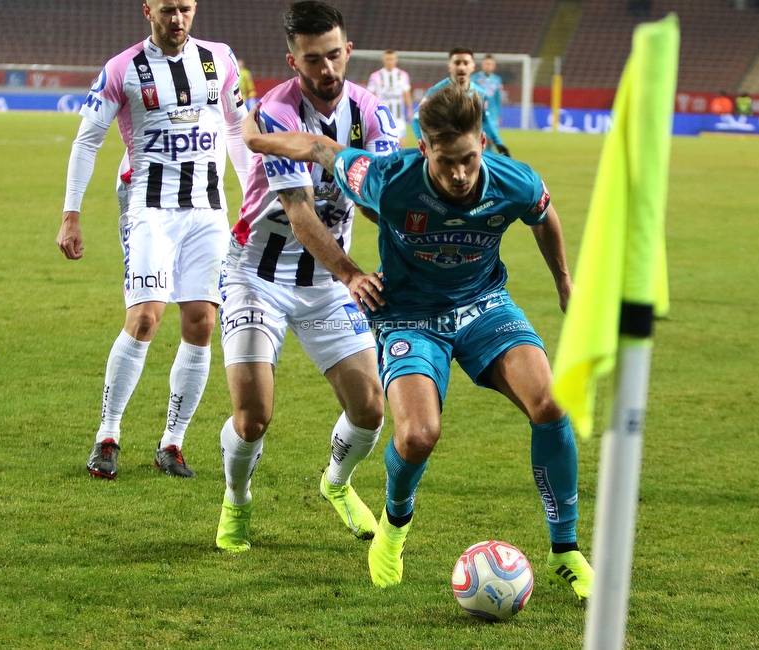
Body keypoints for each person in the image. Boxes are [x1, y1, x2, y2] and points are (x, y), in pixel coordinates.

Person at [241, 83, 593, 602]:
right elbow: (321, 149)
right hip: (408, 317)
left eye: (469, 159)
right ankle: (393, 528)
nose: (459, 174)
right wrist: (258, 138)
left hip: (484, 306)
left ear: (481, 146)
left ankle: (564, 548)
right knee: (418, 436)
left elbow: (545, 216)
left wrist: (565, 281)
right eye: (447, 161)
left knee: (550, 403)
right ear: (424, 149)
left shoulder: (513, 180)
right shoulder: (387, 178)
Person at [214, 0, 399, 553]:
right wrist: (349, 273)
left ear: (348, 51)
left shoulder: (372, 113)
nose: (327, 69)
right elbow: (300, 213)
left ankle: (336, 485)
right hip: (257, 275)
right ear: (293, 60)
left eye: (334, 55)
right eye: (313, 59)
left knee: (370, 408)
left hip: (323, 284)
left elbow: (377, 201)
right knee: (253, 417)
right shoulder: (276, 112)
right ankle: (236, 500)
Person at [56, 0, 251, 480]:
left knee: (202, 322)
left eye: (185, 9)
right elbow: (87, 141)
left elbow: (235, 127)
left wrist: (253, 196)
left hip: (207, 211)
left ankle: (172, 442)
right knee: (144, 318)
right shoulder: (123, 68)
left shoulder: (220, 59)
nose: (177, 19)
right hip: (149, 209)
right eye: (168, 10)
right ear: (148, 10)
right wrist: (71, 214)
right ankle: (107, 434)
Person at [410, 47, 510, 157]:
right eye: (457, 63)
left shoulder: (480, 93)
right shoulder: (437, 91)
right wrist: (427, 144)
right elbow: (416, 119)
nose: (461, 67)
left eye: (466, 63)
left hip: (470, 150)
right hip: (445, 152)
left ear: (473, 66)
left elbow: (484, 119)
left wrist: (498, 143)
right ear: (449, 66)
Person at [366, 49, 413, 149]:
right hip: (382, 115)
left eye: (392, 59)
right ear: (383, 60)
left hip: (398, 116)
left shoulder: (403, 75)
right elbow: (369, 95)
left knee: (401, 142)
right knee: (384, 142)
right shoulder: (375, 76)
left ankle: (400, 163)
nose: (390, 61)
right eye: (387, 59)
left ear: (396, 60)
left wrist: (410, 110)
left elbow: (406, 94)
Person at [471, 54, 503, 135]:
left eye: (490, 64)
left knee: (491, 138)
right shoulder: (475, 78)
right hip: (478, 112)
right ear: (482, 65)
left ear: (494, 66)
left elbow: (498, 98)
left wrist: (498, 114)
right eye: (486, 64)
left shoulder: (497, 79)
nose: (488, 66)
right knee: (478, 136)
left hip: (492, 112)